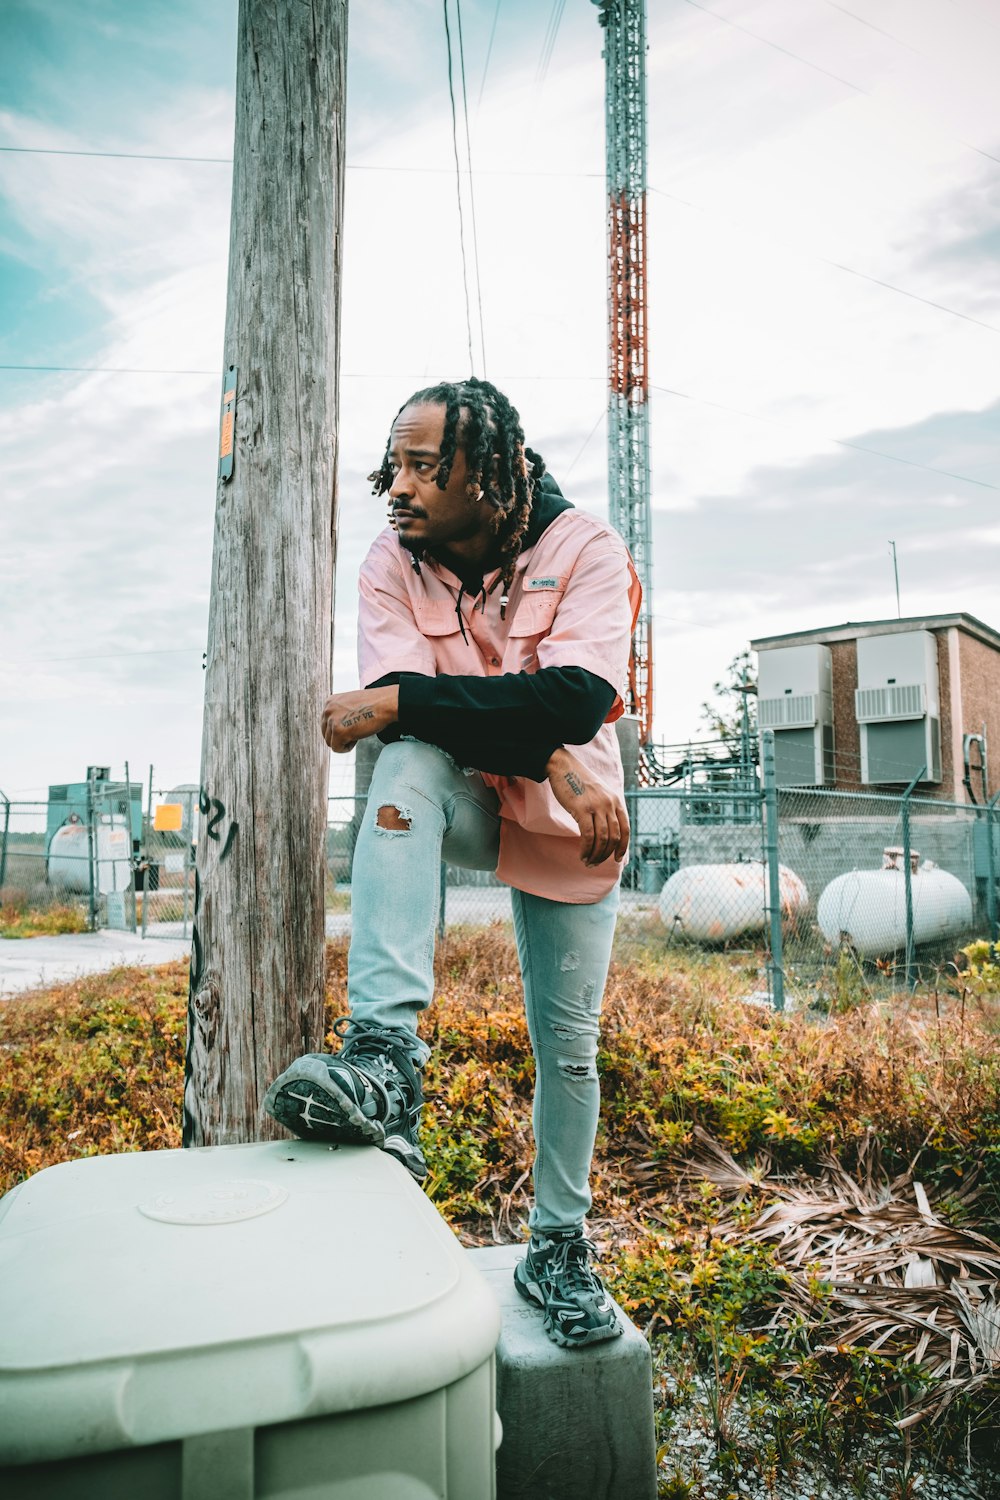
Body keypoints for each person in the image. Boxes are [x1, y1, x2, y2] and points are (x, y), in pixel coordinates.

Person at [264, 377, 640, 1348]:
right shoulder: (393, 560)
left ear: (496, 471)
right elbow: (419, 706)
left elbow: (566, 697)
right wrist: (536, 745)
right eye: (393, 464)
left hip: (570, 825)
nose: (398, 486)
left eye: (426, 467)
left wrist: (541, 740)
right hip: (474, 795)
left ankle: (558, 1246)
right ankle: (386, 1058)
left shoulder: (584, 551)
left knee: (568, 1047)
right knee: (408, 762)